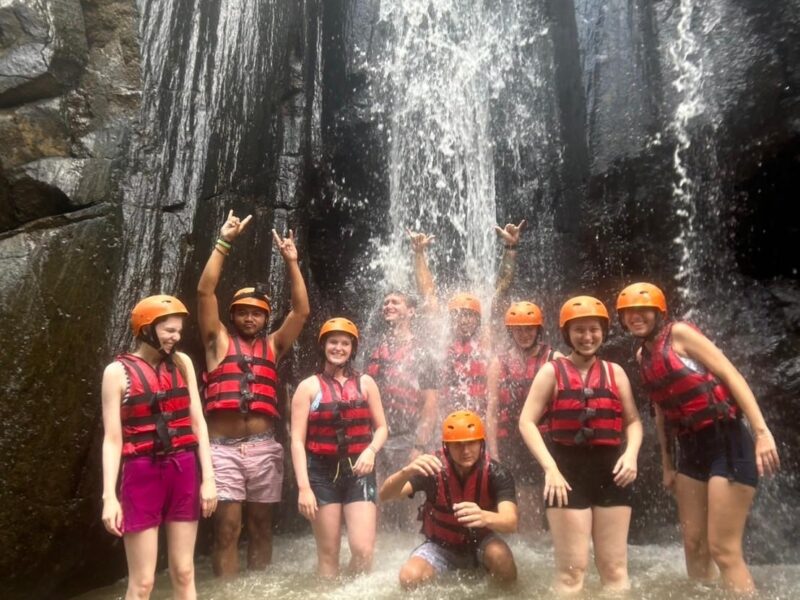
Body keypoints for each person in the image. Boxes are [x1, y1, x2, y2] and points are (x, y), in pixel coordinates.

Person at [616, 282, 780, 593]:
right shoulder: (642, 357)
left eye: (643, 311)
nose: (636, 317)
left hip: (727, 441)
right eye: (629, 313)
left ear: (658, 312)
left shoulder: (680, 333)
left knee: (723, 549)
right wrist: (667, 464)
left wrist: (761, 431)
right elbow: (661, 412)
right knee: (693, 544)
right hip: (690, 450)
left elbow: (731, 374)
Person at [197, 210, 309, 576]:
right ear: (232, 316)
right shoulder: (217, 342)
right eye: (243, 313)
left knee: (262, 527)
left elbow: (301, 311)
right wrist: (224, 241)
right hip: (222, 451)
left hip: (263, 447)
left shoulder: (274, 346)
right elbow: (205, 291)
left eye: (257, 314)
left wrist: (291, 262)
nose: (250, 318)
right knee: (227, 529)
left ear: (265, 318)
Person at [519, 296, 642, 594]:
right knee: (571, 574)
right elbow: (526, 421)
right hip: (566, 476)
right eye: (579, 330)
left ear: (603, 331)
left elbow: (633, 421)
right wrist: (550, 468)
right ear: (567, 334)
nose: (587, 337)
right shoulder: (551, 371)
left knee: (614, 570)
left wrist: (631, 455)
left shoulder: (616, 372)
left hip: (613, 474)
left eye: (594, 329)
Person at [101, 295, 217, 600]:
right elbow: (113, 439)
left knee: (184, 572)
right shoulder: (116, 373)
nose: (175, 337)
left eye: (178, 330)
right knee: (142, 584)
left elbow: (198, 424)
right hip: (141, 473)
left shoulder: (184, 363)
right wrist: (109, 497)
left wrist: (210, 480)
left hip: (184, 469)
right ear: (147, 328)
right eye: (168, 330)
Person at [290, 318, 388, 577]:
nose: (338, 348)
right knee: (329, 554)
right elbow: (297, 441)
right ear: (323, 345)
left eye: (345, 343)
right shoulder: (308, 387)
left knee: (363, 550)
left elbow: (381, 428)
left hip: (360, 470)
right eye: (333, 342)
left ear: (352, 349)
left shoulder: (366, 383)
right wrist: (303, 488)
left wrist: (371, 450)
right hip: (321, 474)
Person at [379, 410, 518, 589]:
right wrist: (406, 471)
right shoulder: (433, 470)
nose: (466, 450)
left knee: (502, 559)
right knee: (409, 577)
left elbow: (511, 522)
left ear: (481, 444)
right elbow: (385, 495)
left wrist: (484, 517)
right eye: (458, 445)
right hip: (440, 547)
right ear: (446, 447)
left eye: (471, 443)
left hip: (480, 543)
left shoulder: (497, 473)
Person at [408, 221, 525, 422]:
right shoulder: (441, 339)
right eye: (459, 315)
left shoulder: (487, 337)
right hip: (448, 424)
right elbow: (428, 295)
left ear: (478, 320)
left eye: (470, 315)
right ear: (451, 318)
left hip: (482, 423)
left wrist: (511, 249)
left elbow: (502, 291)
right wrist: (419, 254)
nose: (464, 320)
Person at [487, 301, 563, 532]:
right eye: (518, 329)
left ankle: (555, 540)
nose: (524, 334)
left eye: (529, 328)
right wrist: (493, 452)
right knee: (525, 493)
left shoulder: (555, 358)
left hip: (547, 437)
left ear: (538, 329)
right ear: (511, 332)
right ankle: (532, 540)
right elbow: (491, 412)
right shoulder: (498, 363)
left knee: (554, 490)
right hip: (512, 438)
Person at [366, 290, 438, 528]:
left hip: (406, 437)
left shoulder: (423, 353)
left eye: (395, 302)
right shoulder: (374, 349)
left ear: (411, 311)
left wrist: (419, 445)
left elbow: (430, 403)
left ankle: (408, 548)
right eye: (385, 302)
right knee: (375, 499)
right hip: (375, 437)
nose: (388, 305)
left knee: (407, 498)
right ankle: (378, 553)